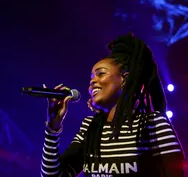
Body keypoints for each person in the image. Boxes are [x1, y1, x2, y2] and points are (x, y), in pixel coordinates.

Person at [40, 34, 185, 177]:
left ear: (125, 79)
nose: (93, 81)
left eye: (100, 74)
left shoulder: (152, 124)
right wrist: (53, 128)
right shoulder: (90, 128)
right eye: (91, 78)